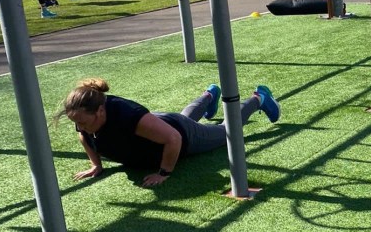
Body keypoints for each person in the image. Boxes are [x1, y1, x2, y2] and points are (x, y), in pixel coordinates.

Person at [59, 78, 281, 187]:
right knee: (181, 118)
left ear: (100, 111)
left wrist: (164, 173)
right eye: (75, 122)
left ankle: (259, 98)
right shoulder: (84, 119)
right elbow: (84, 137)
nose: (79, 127)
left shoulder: (127, 116)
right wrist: (96, 165)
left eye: (82, 122)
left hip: (182, 135)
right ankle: (209, 96)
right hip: (160, 125)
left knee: (225, 132)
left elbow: (173, 138)